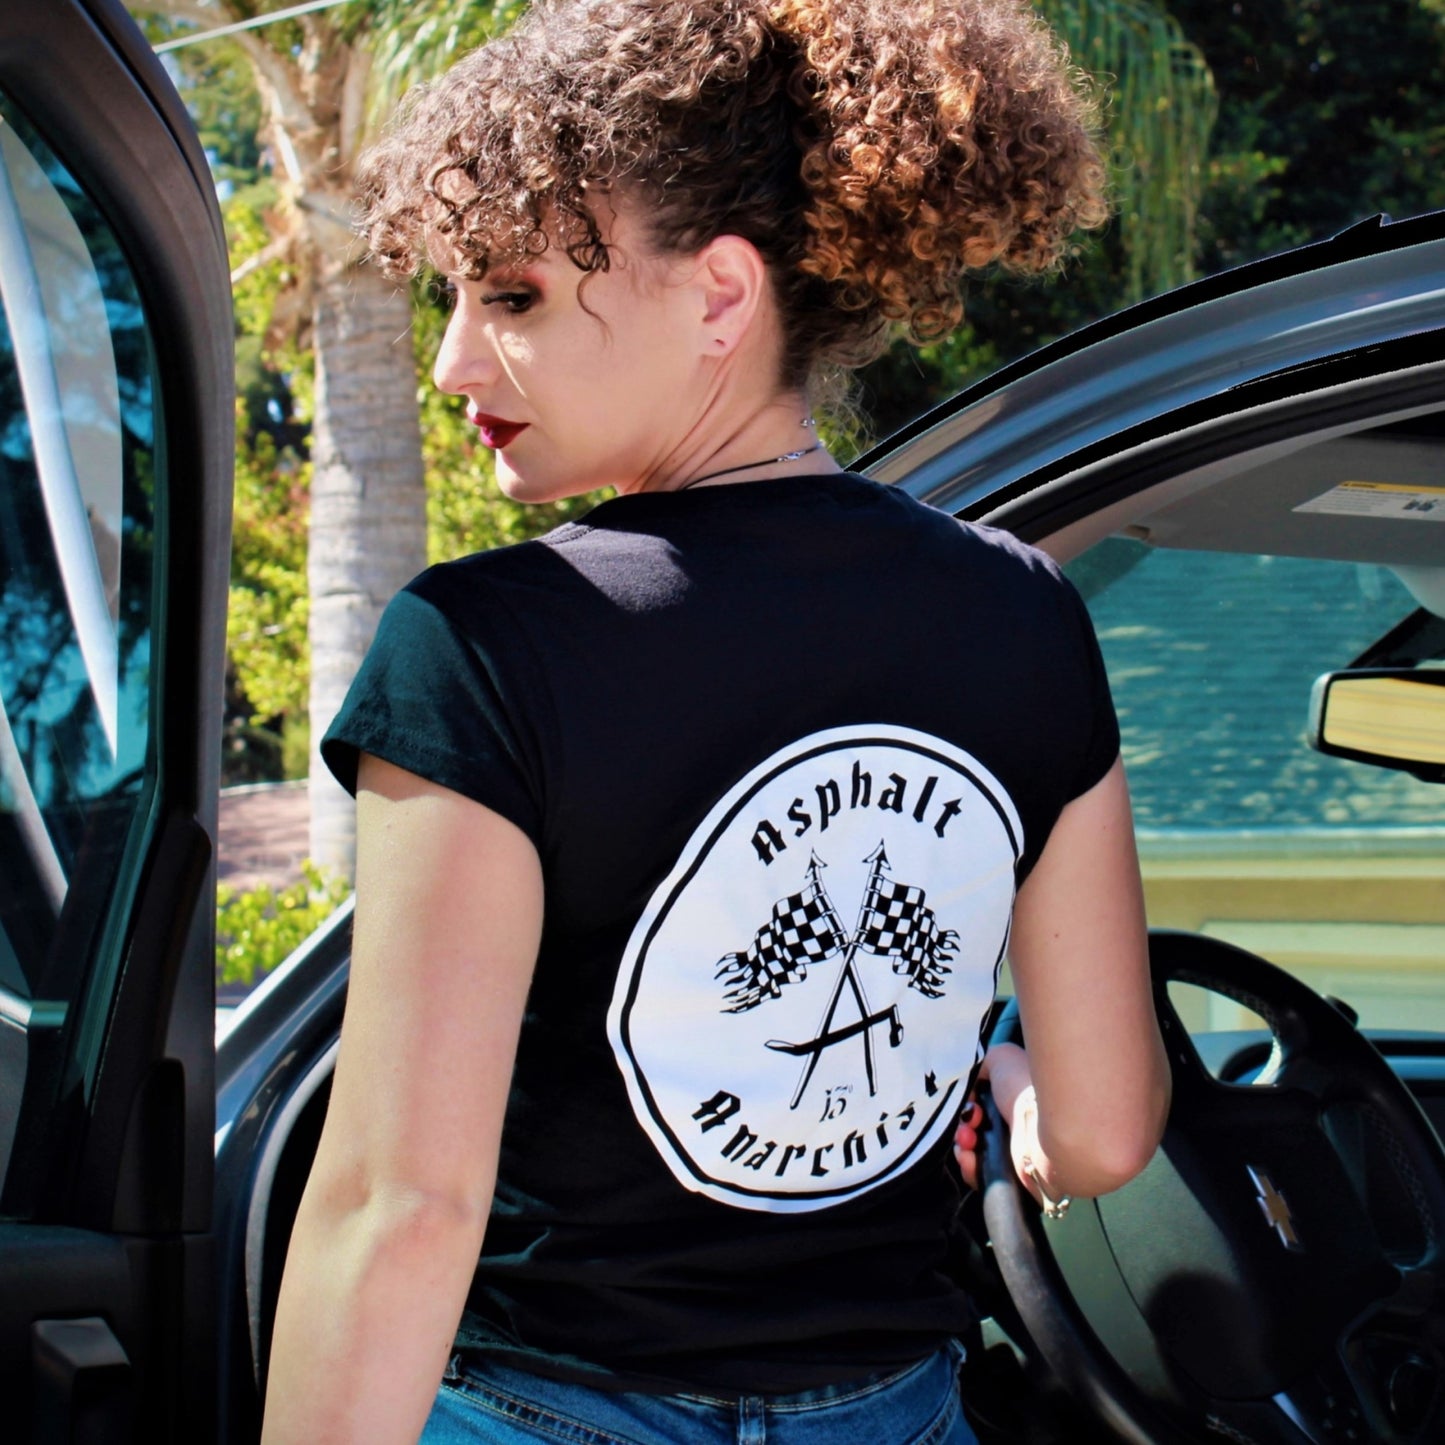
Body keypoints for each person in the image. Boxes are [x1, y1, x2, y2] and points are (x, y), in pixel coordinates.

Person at [261, 1, 1171, 1440]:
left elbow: (399, 1209)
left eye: (510, 298)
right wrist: (1002, 1087)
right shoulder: (1023, 614)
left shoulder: (488, 644)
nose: (451, 368)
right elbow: (1106, 1129)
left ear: (720, 295)